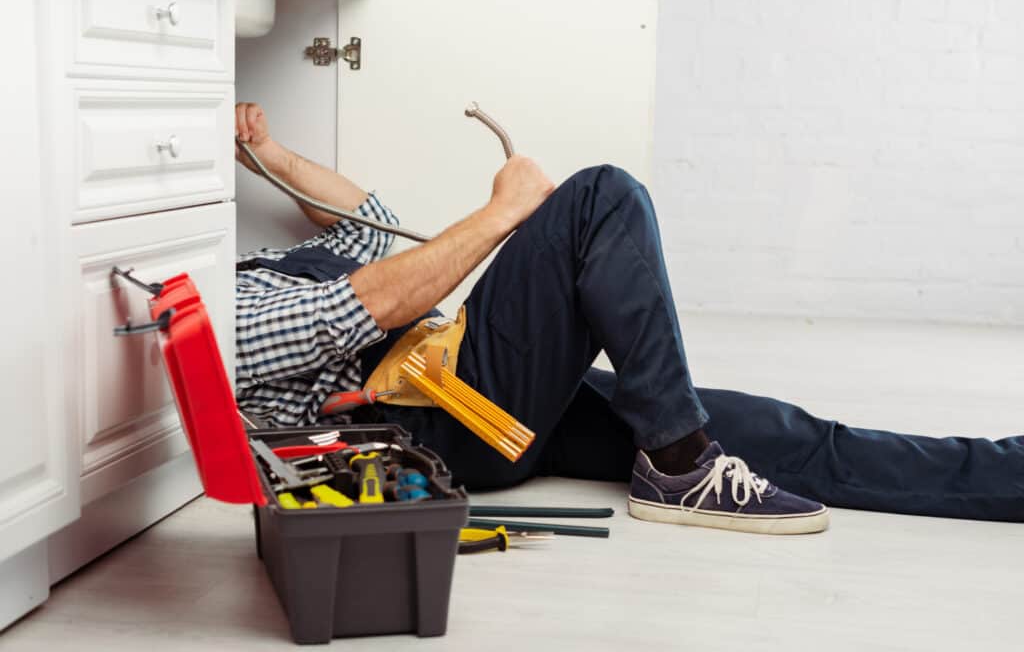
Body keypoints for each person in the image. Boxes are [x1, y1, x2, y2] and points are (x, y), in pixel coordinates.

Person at [233, 102, 1024, 533]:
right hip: (432, 430)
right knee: (600, 197)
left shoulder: (248, 264)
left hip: (479, 395)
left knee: (786, 436)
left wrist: (268, 152)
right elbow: (367, 303)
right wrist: (502, 213)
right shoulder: (220, 310)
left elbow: (367, 224)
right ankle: (679, 463)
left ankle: (1005, 473)